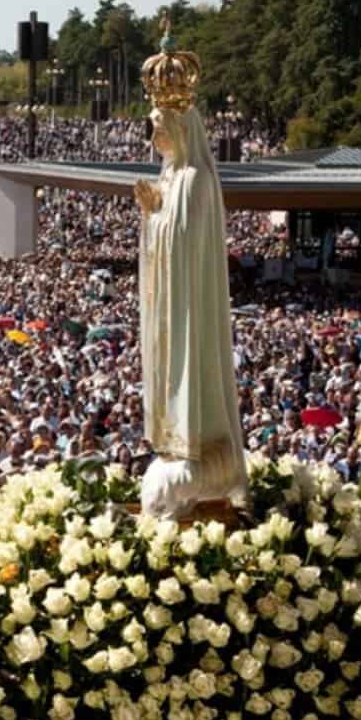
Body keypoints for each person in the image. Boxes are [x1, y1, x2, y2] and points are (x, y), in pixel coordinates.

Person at [136, 31, 248, 518]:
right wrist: (152, 213)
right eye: (153, 127)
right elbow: (164, 237)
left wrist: (159, 216)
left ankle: (196, 449)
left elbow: (188, 244)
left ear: (182, 129)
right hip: (168, 301)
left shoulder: (197, 179)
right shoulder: (169, 177)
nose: (155, 137)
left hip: (189, 303)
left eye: (161, 128)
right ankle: (170, 441)